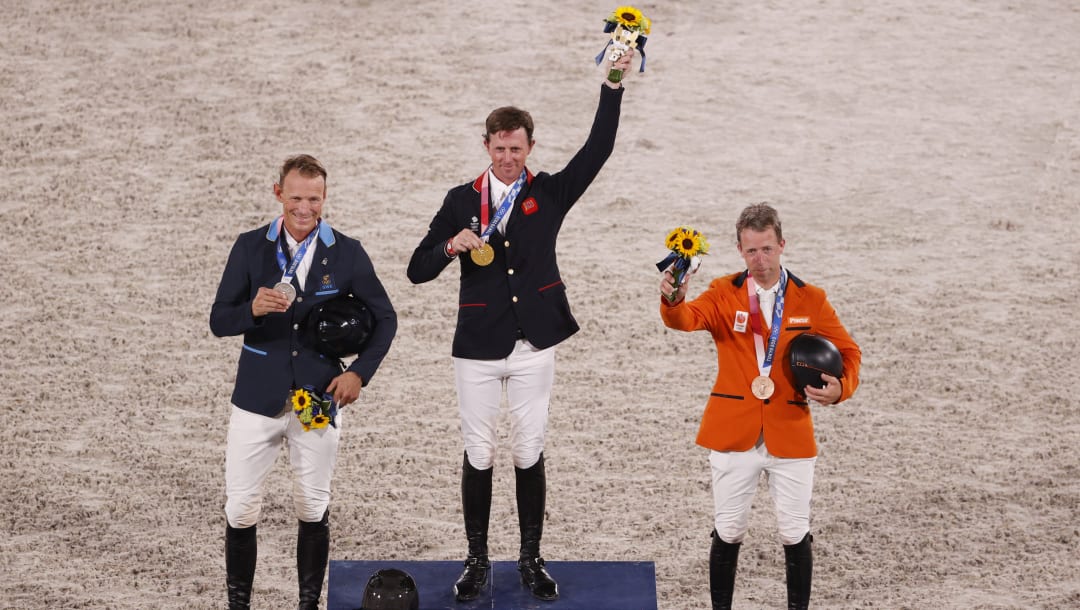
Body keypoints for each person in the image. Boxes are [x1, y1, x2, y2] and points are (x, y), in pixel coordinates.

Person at [405, 49, 636, 602]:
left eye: (517, 148)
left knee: (528, 450)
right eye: (500, 148)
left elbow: (598, 149)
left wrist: (613, 86)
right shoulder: (460, 200)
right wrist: (448, 244)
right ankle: (478, 560)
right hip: (477, 346)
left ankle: (530, 559)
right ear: (486, 146)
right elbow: (416, 270)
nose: (508, 156)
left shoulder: (549, 193)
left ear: (529, 148)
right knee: (479, 452)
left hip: (535, 342)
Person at [210, 154, 397, 610]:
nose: (304, 207)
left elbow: (387, 318)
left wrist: (358, 373)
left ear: (324, 197)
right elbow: (219, 321)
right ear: (279, 194)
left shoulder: (347, 252)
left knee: (312, 506)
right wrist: (251, 310)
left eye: (313, 198)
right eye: (295, 197)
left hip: (317, 398)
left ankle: (308, 606)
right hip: (257, 398)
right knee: (240, 508)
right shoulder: (250, 247)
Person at [658, 203, 861, 610]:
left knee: (794, 530)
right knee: (729, 529)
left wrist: (841, 390)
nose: (760, 259)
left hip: (790, 430)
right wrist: (674, 297)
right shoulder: (722, 292)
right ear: (739, 250)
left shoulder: (811, 299)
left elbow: (849, 353)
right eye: (751, 251)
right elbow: (683, 320)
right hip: (734, 432)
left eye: (767, 249)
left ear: (782, 245)